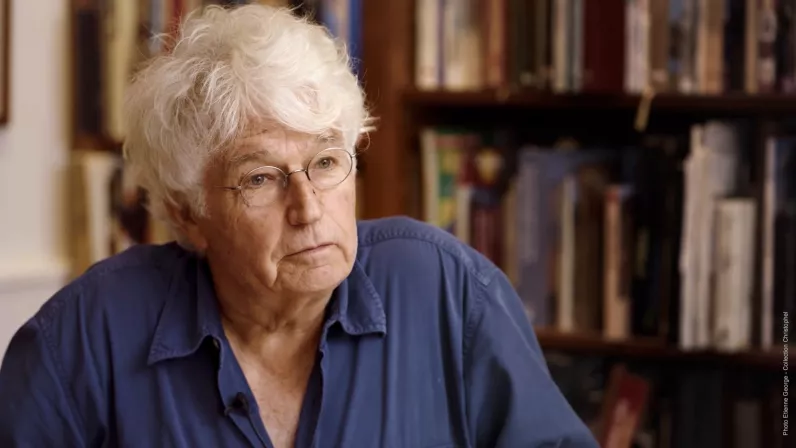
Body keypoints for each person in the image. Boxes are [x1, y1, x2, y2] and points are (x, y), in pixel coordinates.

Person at [0, 4, 597, 448]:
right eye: (260, 178)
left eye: (327, 162)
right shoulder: (84, 337)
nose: (308, 208)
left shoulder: (449, 291)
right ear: (187, 213)